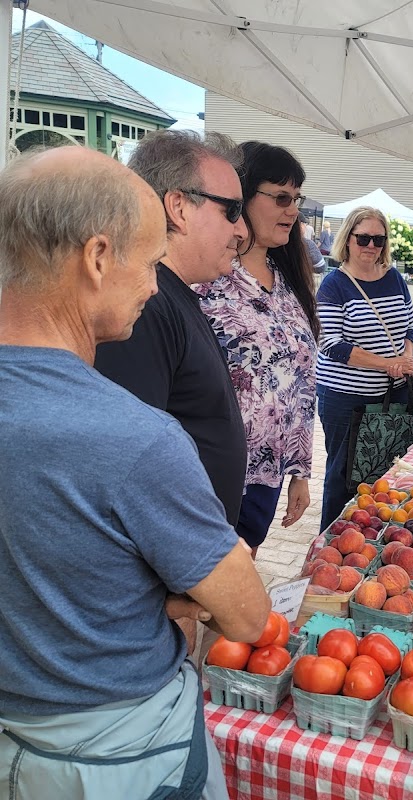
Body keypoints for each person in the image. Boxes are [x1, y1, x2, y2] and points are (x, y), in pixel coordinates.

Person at [0, 146, 269, 798]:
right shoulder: (135, 438)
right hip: (125, 756)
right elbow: (247, 616)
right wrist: (170, 584)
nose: (154, 285)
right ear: (96, 258)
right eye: (148, 263)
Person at [94, 130, 249, 531]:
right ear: (178, 207)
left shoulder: (172, 296)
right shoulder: (144, 306)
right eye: (231, 210)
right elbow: (127, 471)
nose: (242, 230)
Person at [197, 142, 319, 560]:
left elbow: (302, 385)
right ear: (242, 196)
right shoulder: (207, 281)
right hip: (212, 476)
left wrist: (300, 472)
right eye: (281, 197)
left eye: (297, 200)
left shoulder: (290, 284)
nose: (292, 210)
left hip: (267, 479)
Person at [316, 207, 413, 530]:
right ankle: (328, 545)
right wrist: (388, 363)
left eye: (378, 239)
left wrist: (407, 356)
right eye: (363, 238)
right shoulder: (334, 285)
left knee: (384, 473)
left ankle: (369, 538)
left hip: (391, 395)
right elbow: (331, 344)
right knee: (342, 476)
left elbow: (410, 327)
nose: (371, 246)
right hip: (345, 398)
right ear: (347, 239)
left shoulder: (394, 277)